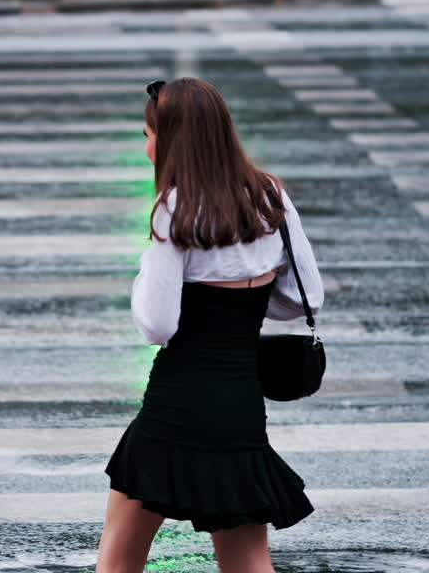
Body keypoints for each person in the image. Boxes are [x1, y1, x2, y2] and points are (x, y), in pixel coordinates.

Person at [97, 77, 324, 573]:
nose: (147, 144)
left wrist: (145, 270)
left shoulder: (174, 209)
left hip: (175, 406)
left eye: (148, 133)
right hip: (241, 405)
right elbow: (301, 298)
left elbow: (157, 325)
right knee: (246, 559)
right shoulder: (270, 197)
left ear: (173, 139)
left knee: (121, 551)